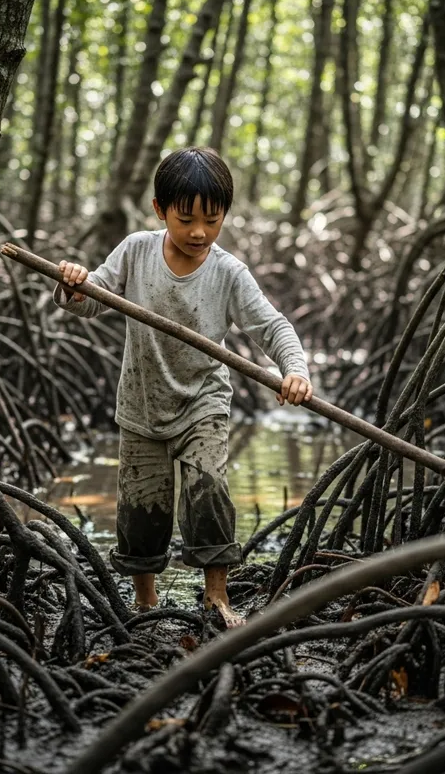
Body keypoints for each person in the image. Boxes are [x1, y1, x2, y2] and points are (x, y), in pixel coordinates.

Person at [54, 147, 312, 628]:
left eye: (212, 221)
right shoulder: (135, 250)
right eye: (186, 218)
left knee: (208, 488)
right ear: (159, 210)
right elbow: (90, 300)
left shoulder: (228, 273)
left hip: (203, 403)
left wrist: (294, 371)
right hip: (141, 404)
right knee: (141, 506)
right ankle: (146, 602)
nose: (199, 232)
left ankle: (216, 596)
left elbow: (273, 328)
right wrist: (73, 283)